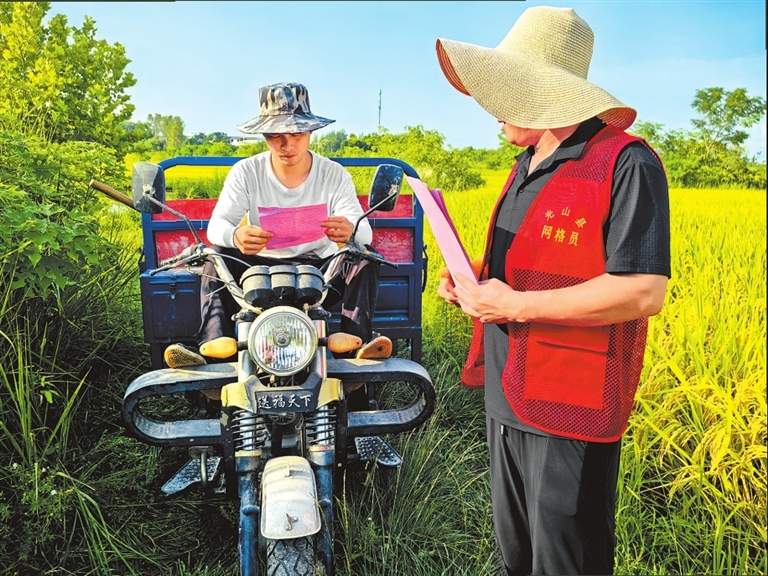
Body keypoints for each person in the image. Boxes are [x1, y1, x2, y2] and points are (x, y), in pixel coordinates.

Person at [434, 6, 670, 575]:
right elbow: (532, 263)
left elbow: (642, 291)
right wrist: (469, 277)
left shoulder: (625, 162)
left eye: (504, 90)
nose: (490, 107)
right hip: (509, 387)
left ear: (545, 93)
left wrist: (516, 305)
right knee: (518, 555)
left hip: (572, 399)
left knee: (566, 559)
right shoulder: (525, 164)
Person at [164, 82, 391, 369]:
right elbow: (216, 225)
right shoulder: (247, 172)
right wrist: (236, 235)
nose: (287, 145)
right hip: (258, 271)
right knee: (217, 252)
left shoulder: (333, 174)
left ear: (310, 131)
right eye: (275, 135)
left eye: (296, 133)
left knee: (364, 254)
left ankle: (354, 346)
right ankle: (213, 349)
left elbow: (364, 232)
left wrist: (349, 230)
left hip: (320, 271)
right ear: (263, 135)